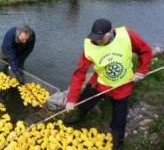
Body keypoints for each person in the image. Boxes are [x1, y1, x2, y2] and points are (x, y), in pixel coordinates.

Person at [64, 18, 152, 150]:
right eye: (95, 37)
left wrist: (141, 71)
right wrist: (71, 99)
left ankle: (118, 143)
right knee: (83, 102)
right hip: (101, 82)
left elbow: (145, 51)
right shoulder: (89, 45)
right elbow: (80, 73)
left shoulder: (127, 36)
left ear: (110, 32)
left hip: (122, 85)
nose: (97, 41)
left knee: (119, 118)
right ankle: (79, 116)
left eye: (101, 37)